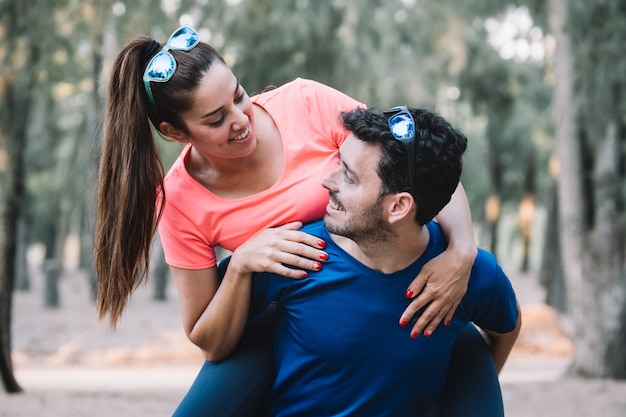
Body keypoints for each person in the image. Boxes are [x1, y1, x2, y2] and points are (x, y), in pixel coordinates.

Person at [94, 26, 478, 416]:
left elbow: (419, 166)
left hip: (399, 285)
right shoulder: (178, 200)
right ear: (174, 132)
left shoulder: (305, 102)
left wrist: (463, 251)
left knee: (467, 354)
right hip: (291, 315)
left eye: (239, 95)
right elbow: (209, 340)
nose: (241, 119)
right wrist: (241, 265)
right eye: (215, 120)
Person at [241, 106, 521, 416]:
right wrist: (240, 263)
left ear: (399, 206)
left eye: (349, 177)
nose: (326, 181)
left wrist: (466, 394)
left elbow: (506, 328)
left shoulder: (468, 275)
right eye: (338, 163)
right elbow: (213, 339)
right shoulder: (294, 251)